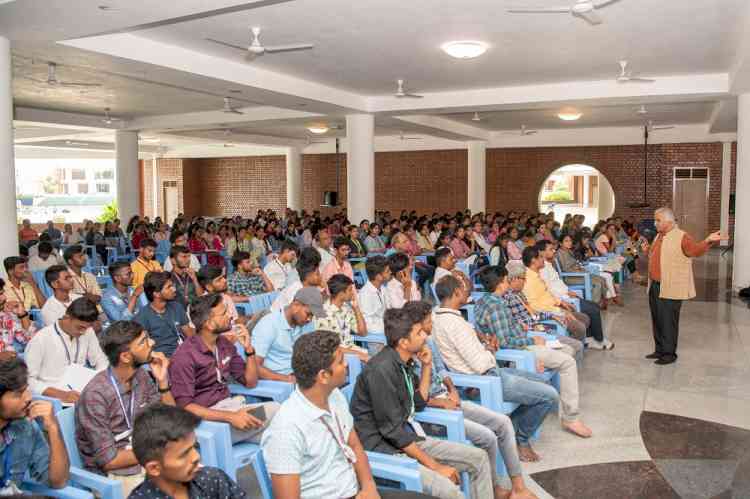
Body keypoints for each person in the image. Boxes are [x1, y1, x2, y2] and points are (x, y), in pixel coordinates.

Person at [261, 329, 436, 499]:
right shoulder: (286, 429)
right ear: (323, 376)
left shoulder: (334, 396)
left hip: (356, 491)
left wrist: (369, 487)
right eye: (340, 361)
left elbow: (354, 446)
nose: (346, 365)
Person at [350, 308, 494, 499]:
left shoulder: (404, 362)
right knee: (449, 491)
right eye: (419, 333)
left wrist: (426, 366)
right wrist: (435, 466)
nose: (425, 335)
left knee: (479, 458)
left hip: (407, 438)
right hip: (385, 449)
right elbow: (391, 432)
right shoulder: (380, 371)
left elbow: (418, 402)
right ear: (403, 342)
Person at [403, 301, 537, 499]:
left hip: (447, 398)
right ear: (417, 326)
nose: (432, 325)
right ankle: (494, 489)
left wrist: (452, 390)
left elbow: (441, 369)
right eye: (428, 322)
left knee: (503, 423)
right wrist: (440, 403)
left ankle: (518, 487)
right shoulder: (406, 356)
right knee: (487, 437)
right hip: (430, 413)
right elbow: (412, 401)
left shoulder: (429, 343)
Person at [431, 275, 558, 462]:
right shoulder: (455, 325)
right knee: (550, 395)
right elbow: (479, 364)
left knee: (542, 380)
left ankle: (512, 429)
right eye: (465, 288)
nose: (469, 291)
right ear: (456, 293)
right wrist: (490, 349)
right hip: (485, 378)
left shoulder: (438, 315)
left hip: (488, 371)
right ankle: (521, 440)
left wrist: (484, 346)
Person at [475, 266, 591, 438]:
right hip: (522, 348)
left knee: (567, 349)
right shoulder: (496, 307)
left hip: (525, 340)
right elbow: (506, 343)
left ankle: (559, 398)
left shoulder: (487, 300)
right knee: (568, 362)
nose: (509, 283)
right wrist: (532, 341)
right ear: (500, 284)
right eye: (507, 280)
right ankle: (570, 417)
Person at [76, 321, 175, 496]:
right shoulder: (96, 395)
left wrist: (163, 382)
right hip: (113, 475)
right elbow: (110, 461)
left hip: (143, 454)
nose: (152, 343)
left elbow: (170, 420)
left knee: (198, 481)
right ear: (126, 357)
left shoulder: (141, 376)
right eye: (144, 341)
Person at [168, 294, 278, 444]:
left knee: (278, 434)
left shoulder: (223, 344)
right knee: (276, 412)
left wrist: (248, 349)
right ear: (209, 324)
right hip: (205, 423)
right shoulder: (184, 357)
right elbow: (185, 407)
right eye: (224, 313)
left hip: (230, 410)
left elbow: (250, 382)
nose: (231, 316)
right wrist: (230, 417)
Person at [644, 207, 722, 365]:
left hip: (671, 286)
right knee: (657, 319)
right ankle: (659, 349)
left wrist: (708, 240)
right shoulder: (659, 235)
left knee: (668, 321)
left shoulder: (682, 236)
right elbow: (657, 255)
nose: (655, 223)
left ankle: (669, 354)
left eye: (658, 220)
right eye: (655, 220)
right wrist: (647, 251)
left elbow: (695, 251)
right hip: (655, 285)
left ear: (668, 221)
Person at [129, 403, 247, 499]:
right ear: (154, 468)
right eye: (184, 454)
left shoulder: (212, 479)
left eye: (194, 446)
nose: (196, 457)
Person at [0, 357, 69, 493]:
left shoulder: (26, 427)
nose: (28, 398)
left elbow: (58, 481)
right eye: (18, 394)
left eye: (26, 390)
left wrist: (53, 429)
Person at [25, 297, 109, 405]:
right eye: (80, 327)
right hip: (54, 399)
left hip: (81, 391)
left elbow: (100, 360)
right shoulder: (42, 339)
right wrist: (61, 395)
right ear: (66, 318)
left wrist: (98, 381)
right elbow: (28, 381)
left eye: (87, 328)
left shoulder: (87, 331)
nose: (83, 332)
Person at [533, 242, 613, 350]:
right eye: (550, 249)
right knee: (593, 309)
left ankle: (590, 338)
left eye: (553, 249)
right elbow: (549, 290)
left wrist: (568, 291)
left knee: (592, 306)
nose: (554, 251)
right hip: (560, 299)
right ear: (541, 252)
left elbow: (557, 283)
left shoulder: (547, 264)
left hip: (564, 294)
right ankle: (599, 340)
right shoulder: (541, 269)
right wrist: (565, 294)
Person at [521, 247, 597, 345]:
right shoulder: (529, 280)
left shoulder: (537, 275)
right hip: (547, 314)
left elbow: (547, 295)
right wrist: (559, 312)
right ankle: (573, 347)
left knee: (584, 318)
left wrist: (561, 303)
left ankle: (575, 343)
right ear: (533, 260)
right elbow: (535, 306)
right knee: (580, 327)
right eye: (540, 257)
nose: (543, 259)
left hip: (554, 308)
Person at [252, 289, 318, 381]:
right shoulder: (268, 325)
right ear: (296, 306)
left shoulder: (306, 323)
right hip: (278, 381)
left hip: (300, 374)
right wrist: (287, 379)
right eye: (308, 314)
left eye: (312, 316)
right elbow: (254, 366)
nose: (309, 319)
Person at [134, 272, 192, 357]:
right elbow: (144, 350)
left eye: (172, 285)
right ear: (156, 294)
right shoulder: (142, 317)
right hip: (160, 360)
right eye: (169, 287)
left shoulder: (177, 307)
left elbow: (189, 334)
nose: (174, 289)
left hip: (182, 354)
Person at [314, 274, 368, 361]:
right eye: (350, 290)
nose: (353, 292)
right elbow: (331, 348)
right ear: (341, 293)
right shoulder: (323, 314)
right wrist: (359, 354)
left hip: (352, 351)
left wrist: (356, 309)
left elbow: (363, 332)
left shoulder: (346, 307)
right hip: (336, 357)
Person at [558, 234, 619, 307]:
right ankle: (594, 305)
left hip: (579, 273)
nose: (569, 242)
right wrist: (579, 269)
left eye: (570, 241)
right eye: (566, 241)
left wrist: (580, 267)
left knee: (602, 279)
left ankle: (603, 300)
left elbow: (575, 263)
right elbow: (566, 269)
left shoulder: (569, 251)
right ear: (560, 243)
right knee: (597, 283)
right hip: (571, 277)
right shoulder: (560, 253)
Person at [0, 278, 36, 353]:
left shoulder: (5, 316)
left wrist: (22, 314)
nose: (4, 298)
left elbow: (30, 340)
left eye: (2, 293)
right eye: (0, 294)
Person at [357, 256, 391, 333]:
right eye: (387, 271)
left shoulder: (383, 288)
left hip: (387, 328)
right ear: (378, 276)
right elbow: (368, 325)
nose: (390, 272)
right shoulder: (365, 295)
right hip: (377, 337)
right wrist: (390, 328)